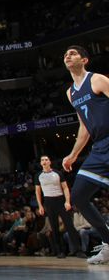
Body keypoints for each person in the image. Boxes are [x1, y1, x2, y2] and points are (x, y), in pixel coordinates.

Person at [62, 45, 109, 264]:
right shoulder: (71, 93)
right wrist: (73, 155)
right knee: (79, 195)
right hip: (99, 148)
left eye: (72, 53)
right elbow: (84, 126)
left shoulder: (98, 80)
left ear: (85, 59)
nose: (67, 56)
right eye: (65, 55)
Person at [34, 154, 84, 258]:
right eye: (42, 160)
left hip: (60, 200)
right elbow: (38, 192)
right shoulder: (38, 175)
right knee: (54, 227)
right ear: (40, 163)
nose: (44, 161)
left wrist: (67, 201)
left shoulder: (58, 173)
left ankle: (78, 250)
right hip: (48, 201)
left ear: (49, 162)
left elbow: (65, 188)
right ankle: (60, 251)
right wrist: (40, 206)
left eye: (46, 159)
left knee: (69, 225)